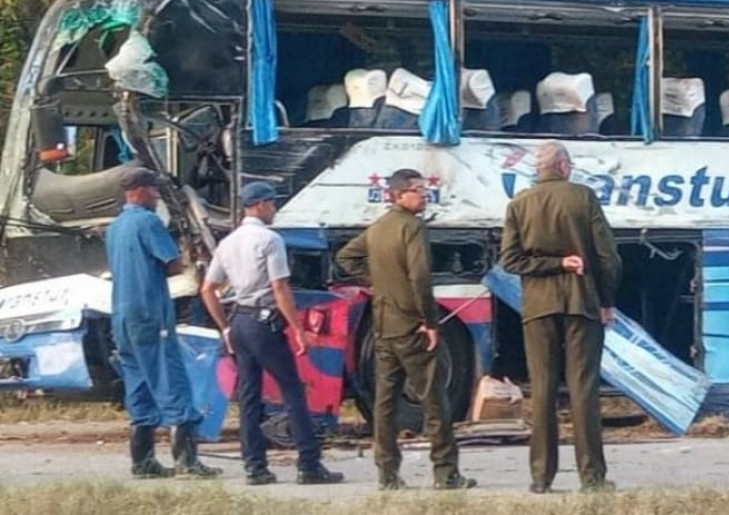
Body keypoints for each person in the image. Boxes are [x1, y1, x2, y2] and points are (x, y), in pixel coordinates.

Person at [335, 169, 476, 491]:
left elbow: (346, 258)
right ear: (399, 195)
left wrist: (378, 281)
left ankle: (387, 474)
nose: (424, 195)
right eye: (417, 190)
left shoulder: (379, 227)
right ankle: (446, 473)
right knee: (434, 399)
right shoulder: (412, 227)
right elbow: (421, 277)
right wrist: (430, 321)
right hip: (412, 326)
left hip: (384, 325)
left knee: (385, 403)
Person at [198, 181, 343, 486]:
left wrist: (225, 326)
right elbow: (280, 287)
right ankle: (309, 465)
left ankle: (255, 467)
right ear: (261, 205)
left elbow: (208, 289)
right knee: (292, 390)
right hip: (265, 324)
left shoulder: (228, 242)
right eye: (272, 204)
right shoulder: (270, 240)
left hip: (239, 322)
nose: (274, 209)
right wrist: (299, 329)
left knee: (250, 397)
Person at [499, 141, 623, 494]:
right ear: (564, 166)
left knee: (542, 390)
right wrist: (606, 299)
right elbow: (607, 256)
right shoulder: (582, 198)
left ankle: (541, 478)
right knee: (583, 389)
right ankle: (592, 477)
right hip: (582, 303)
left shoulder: (518, 204)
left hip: (537, 308)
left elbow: (511, 260)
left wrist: (550, 264)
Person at [105, 167, 222, 480]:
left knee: (139, 384)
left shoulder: (114, 227)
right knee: (172, 382)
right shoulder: (149, 222)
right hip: (150, 314)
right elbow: (171, 265)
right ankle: (186, 461)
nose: (157, 196)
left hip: (122, 316)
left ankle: (142, 462)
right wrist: (188, 258)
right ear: (140, 190)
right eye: (154, 190)